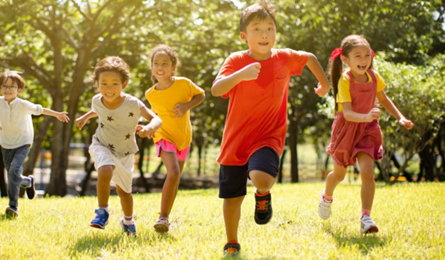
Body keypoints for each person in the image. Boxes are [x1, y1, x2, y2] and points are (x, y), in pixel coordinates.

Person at [210, 1, 330, 256]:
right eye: (257, 28)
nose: (264, 34)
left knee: (262, 178)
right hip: (235, 141)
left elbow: (309, 58)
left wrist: (325, 84)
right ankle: (232, 241)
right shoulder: (236, 60)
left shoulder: (284, 58)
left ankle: (262, 194)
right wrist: (240, 75)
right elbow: (216, 89)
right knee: (232, 197)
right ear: (244, 36)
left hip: (268, 136)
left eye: (269, 28)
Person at [318, 35, 414, 234]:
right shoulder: (345, 81)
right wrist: (367, 115)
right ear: (345, 59)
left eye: (366, 56)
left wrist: (400, 117)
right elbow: (348, 113)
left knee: (367, 173)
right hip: (347, 130)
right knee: (339, 174)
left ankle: (366, 217)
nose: (363, 61)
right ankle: (327, 197)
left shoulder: (375, 76)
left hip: (367, 130)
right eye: (357, 56)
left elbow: (384, 99)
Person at [75, 56, 162, 237]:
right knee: (105, 170)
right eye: (104, 84)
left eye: (115, 84)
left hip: (125, 151)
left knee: (124, 192)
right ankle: (102, 212)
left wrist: (148, 128)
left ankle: (128, 221)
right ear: (97, 84)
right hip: (102, 144)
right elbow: (99, 110)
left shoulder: (132, 103)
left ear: (124, 83)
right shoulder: (96, 100)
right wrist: (85, 117)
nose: (109, 89)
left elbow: (156, 118)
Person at [0, 70, 69, 217]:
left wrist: (57, 114)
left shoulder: (23, 104)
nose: (8, 89)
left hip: (23, 142)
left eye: (12, 87)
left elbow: (40, 109)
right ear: (0, 88)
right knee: (13, 175)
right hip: (5, 143)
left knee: (13, 172)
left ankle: (13, 207)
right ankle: (27, 182)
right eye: (5, 86)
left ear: (19, 90)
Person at [144, 44, 205, 233]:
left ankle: (165, 220)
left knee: (175, 177)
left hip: (183, 137)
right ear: (152, 67)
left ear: (173, 67)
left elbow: (201, 94)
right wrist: (148, 127)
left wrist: (186, 106)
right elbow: (154, 114)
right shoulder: (150, 94)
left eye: (165, 63)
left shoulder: (183, 83)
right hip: (163, 135)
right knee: (174, 172)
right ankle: (162, 216)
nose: (160, 67)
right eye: (156, 63)